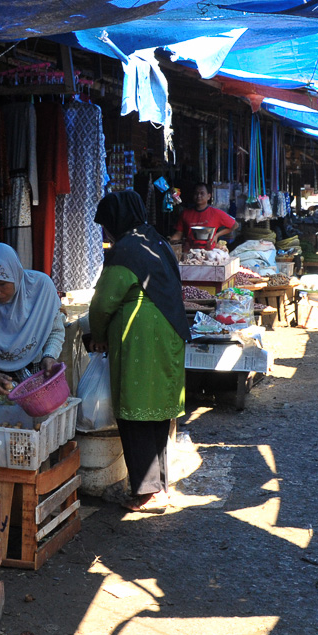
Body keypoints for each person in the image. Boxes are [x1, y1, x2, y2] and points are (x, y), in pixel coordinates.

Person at [90, 192, 186, 514]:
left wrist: (99, 335)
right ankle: (159, 489)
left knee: (134, 413)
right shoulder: (156, 240)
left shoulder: (125, 251)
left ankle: (147, 493)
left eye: (106, 225)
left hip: (141, 339)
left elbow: (103, 303)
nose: (106, 233)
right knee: (158, 413)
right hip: (169, 332)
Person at [0, 243, 64, 396]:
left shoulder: (41, 288)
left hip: (35, 372)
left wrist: (49, 356)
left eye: (2, 284)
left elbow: (55, 331)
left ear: (15, 274)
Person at [172, 182, 236, 252]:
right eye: (196, 193)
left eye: (202, 193)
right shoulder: (185, 213)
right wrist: (169, 243)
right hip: (189, 253)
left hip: (209, 254)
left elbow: (234, 225)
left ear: (209, 196)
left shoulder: (216, 213)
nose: (199, 196)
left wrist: (217, 235)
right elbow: (178, 233)